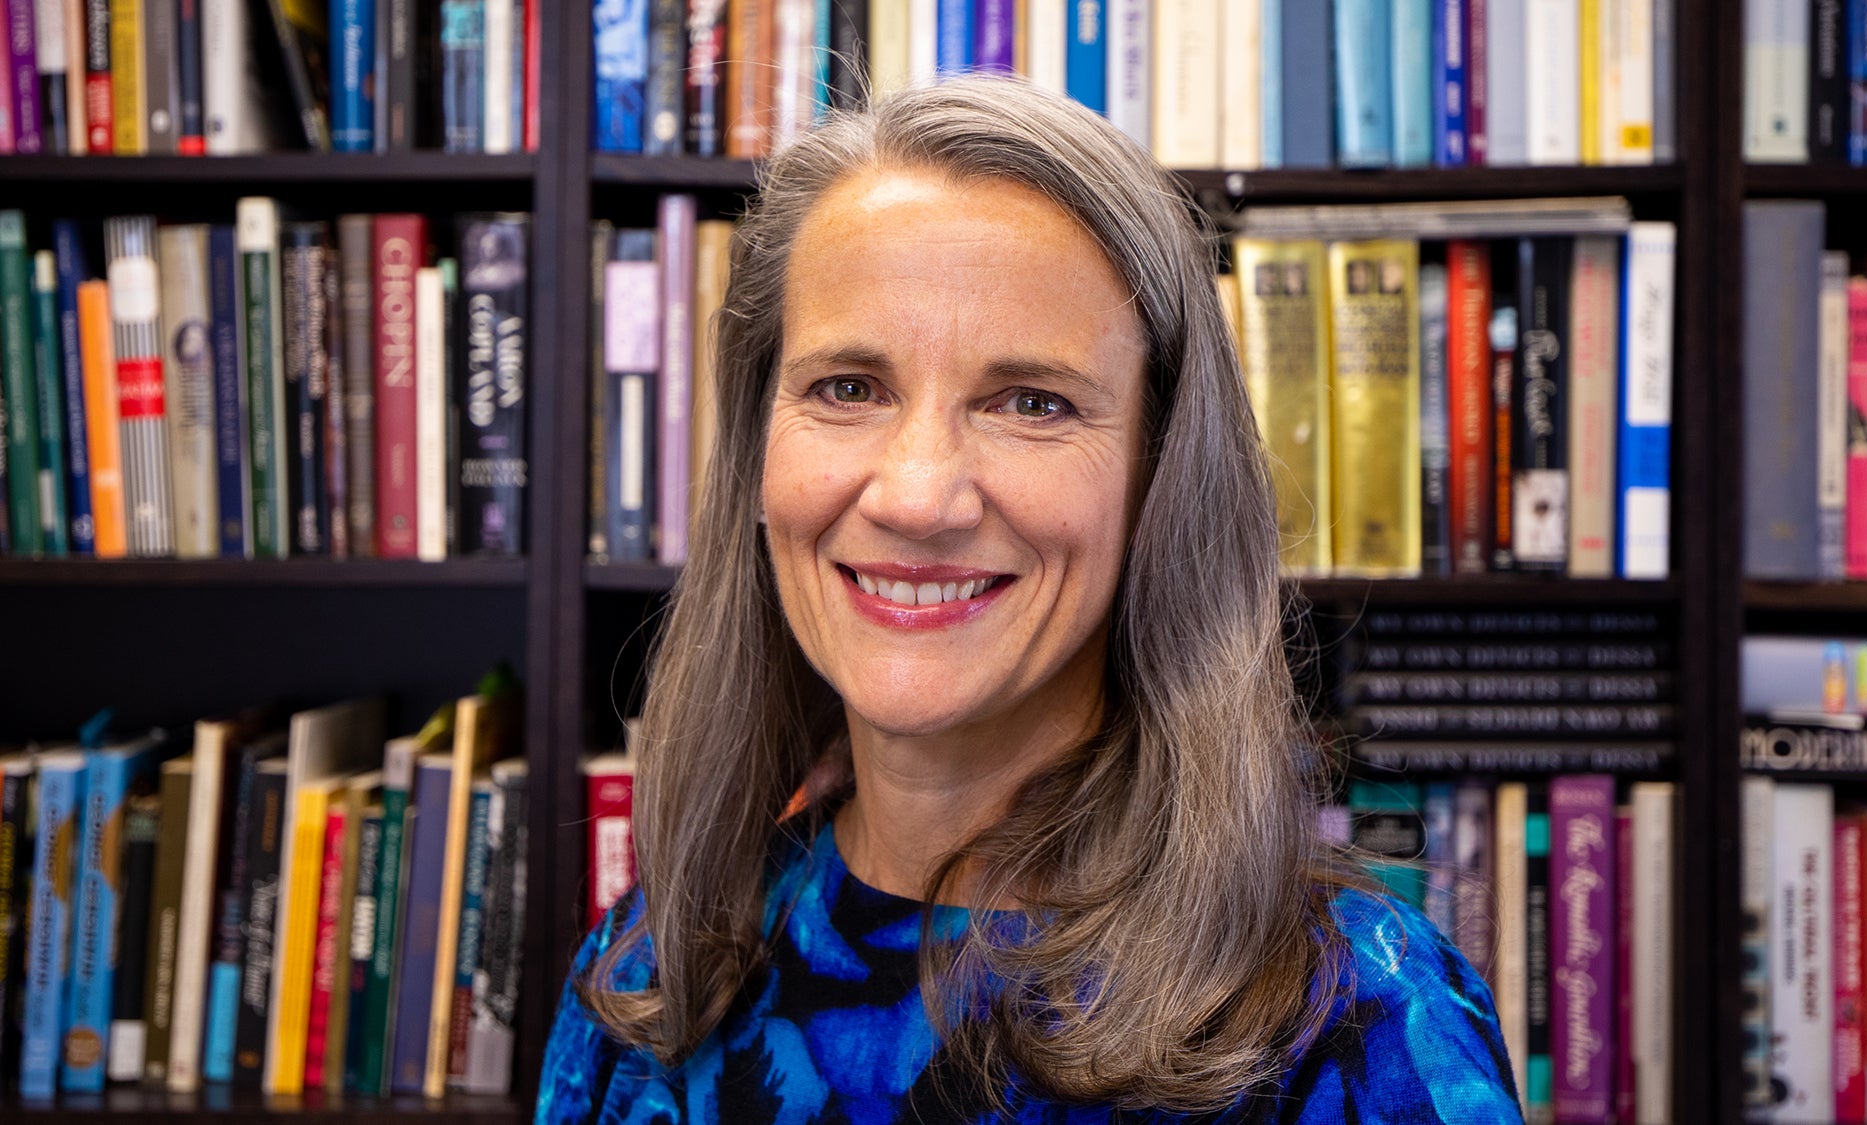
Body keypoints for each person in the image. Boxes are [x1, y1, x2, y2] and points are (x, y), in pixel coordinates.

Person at [538, 77, 1519, 1125]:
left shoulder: (1364, 1028)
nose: (917, 497)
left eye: (1031, 403)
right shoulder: (653, 970)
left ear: (1160, 481)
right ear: (755, 461)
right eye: (847, 388)